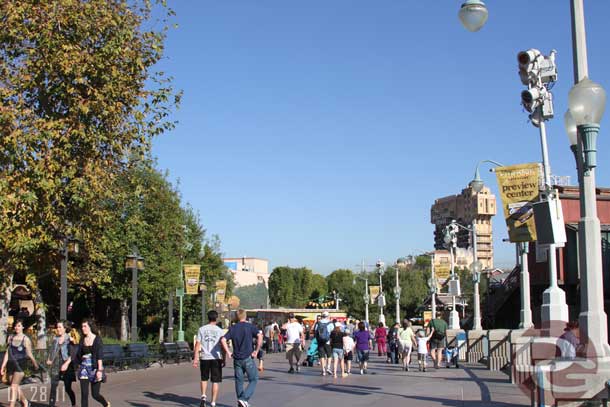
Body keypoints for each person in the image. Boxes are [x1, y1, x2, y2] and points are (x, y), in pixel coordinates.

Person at [220, 309, 262, 407]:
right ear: (245, 316)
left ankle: (240, 401)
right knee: (254, 378)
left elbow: (223, 339)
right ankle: (243, 399)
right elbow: (260, 336)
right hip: (247, 357)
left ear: (237, 317)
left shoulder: (233, 328)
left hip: (237, 358)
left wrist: (228, 352)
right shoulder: (250, 327)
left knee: (239, 381)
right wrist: (256, 350)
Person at [1, 319, 39, 407]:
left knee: (13, 386)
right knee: (15, 385)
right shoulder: (10, 337)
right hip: (11, 364)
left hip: (21, 365)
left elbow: (29, 353)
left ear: (22, 327)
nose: (16, 328)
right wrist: (3, 365)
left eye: (18, 326)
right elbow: (8, 352)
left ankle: (12, 405)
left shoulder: (26, 339)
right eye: (15, 326)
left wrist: (35, 364)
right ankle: (25, 401)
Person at [193, 310, 225, 407]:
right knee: (215, 381)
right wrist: (224, 359)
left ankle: (203, 396)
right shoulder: (219, 331)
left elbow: (197, 344)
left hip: (205, 357)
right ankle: (213, 402)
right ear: (216, 318)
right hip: (216, 357)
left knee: (204, 378)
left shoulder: (201, 329)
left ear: (208, 318)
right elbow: (223, 345)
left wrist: (196, 358)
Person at [78, 319, 110, 407]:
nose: (83, 328)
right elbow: (79, 354)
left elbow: (100, 356)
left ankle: (106, 404)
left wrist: (99, 370)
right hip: (84, 368)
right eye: (82, 326)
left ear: (90, 327)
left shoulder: (97, 339)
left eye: (85, 326)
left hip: (95, 368)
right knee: (84, 394)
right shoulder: (82, 339)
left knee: (95, 394)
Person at [47, 320, 77, 407]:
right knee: (53, 387)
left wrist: (66, 363)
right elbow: (52, 350)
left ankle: (73, 404)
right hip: (56, 364)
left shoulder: (69, 339)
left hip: (66, 364)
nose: (58, 329)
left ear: (65, 328)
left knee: (67, 388)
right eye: (57, 327)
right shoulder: (55, 339)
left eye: (60, 327)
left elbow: (74, 353)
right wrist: (49, 359)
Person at [315, 311, 334, 376]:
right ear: (328, 316)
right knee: (329, 355)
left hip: (320, 341)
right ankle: (328, 368)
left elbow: (315, 332)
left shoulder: (318, 323)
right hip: (328, 341)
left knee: (321, 356)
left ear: (322, 316)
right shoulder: (330, 323)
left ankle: (323, 370)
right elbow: (332, 333)